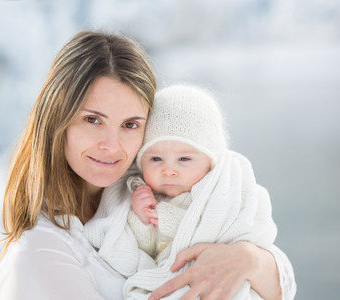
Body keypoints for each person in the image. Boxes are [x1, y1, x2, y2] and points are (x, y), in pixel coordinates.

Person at [0, 30, 296, 300]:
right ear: (57, 118)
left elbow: (281, 283)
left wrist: (248, 258)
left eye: (130, 124)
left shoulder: (144, 188)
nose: (112, 145)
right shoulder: (40, 255)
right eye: (92, 120)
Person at [83, 84, 280, 299]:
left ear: (210, 162)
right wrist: (141, 218)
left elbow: (254, 232)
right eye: (155, 159)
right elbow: (146, 251)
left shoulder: (222, 195)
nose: (168, 170)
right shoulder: (142, 195)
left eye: (184, 159)